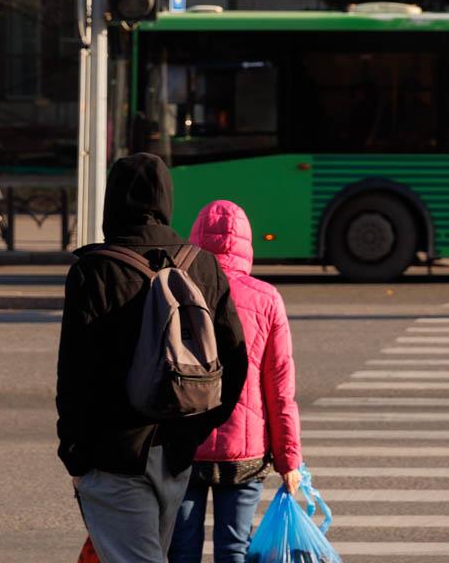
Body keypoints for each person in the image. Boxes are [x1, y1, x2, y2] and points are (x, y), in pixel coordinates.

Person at [58, 153, 249, 563]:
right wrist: (196, 428)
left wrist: (74, 454)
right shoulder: (203, 266)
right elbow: (235, 362)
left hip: (113, 455)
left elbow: (75, 374)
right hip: (177, 451)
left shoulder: (94, 271)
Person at [168, 199, 303, 563]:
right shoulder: (266, 299)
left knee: (181, 550)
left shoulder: (175, 291)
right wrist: (289, 460)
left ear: (196, 240)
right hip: (244, 450)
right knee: (234, 549)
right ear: (246, 243)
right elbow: (280, 387)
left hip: (185, 443)